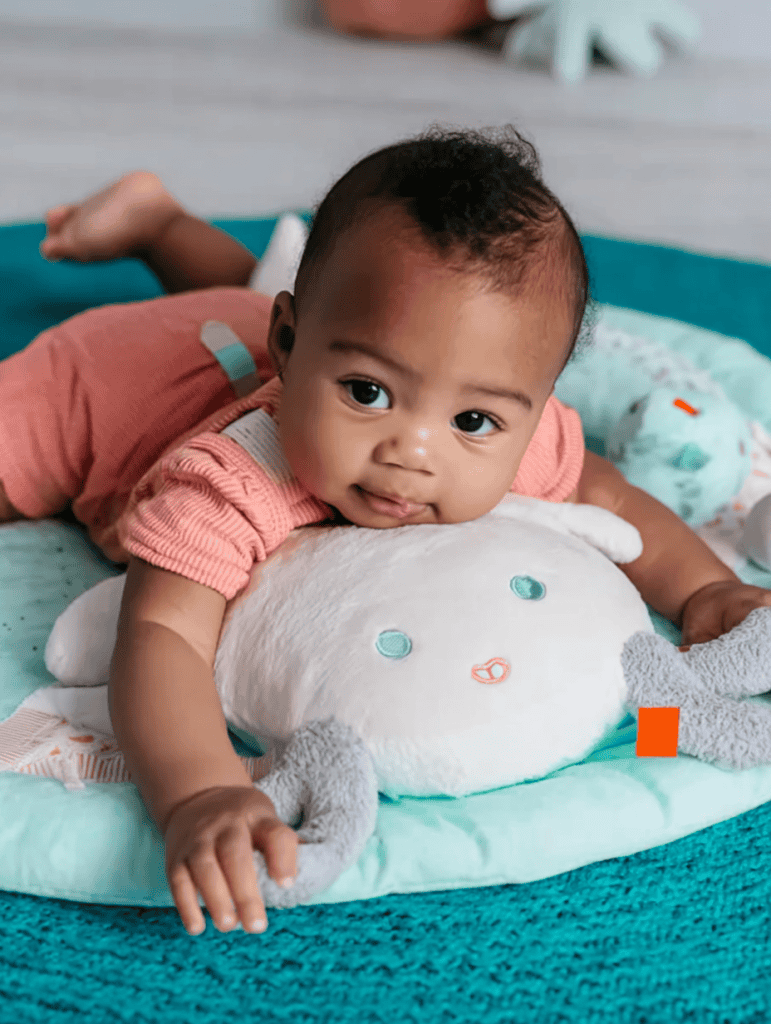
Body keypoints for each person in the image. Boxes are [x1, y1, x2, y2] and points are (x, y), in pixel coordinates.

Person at [1, 125, 769, 939]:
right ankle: (171, 247)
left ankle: (158, 225)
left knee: (252, 298)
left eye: (471, 419)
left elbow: (609, 499)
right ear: (290, 351)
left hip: (248, 326)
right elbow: (160, 635)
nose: (411, 450)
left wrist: (704, 587)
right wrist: (200, 790)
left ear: (533, 411)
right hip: (104, 381)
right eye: (367, 393)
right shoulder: (227, 485)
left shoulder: (513, 434)